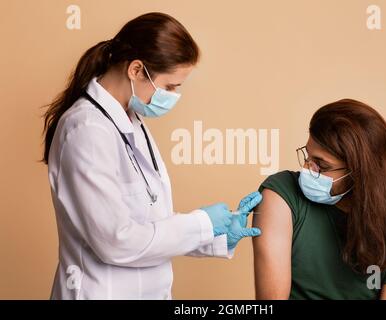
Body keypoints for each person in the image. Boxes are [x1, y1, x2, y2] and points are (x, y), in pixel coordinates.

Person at [42, 12, 261, 300]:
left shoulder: (131, 121)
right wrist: (201, 223)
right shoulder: (86, 130)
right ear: (135, 70)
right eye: (170, 87)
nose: (172, 96)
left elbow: (151, 225)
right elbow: (115, 241)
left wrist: (214, 236)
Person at [253, 99, 386, 300]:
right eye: (308, 156)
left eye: (322, 165)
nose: (308, 169)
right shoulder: (282, 194)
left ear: (361, 173)